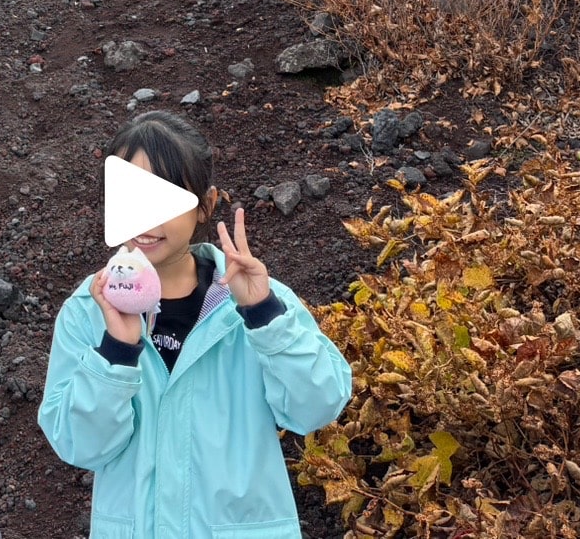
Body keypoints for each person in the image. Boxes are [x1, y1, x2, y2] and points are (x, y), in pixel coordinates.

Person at [38, 110, 352, 538]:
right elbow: (81, 446)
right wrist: (116, 352)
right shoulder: (87, 310)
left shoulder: (257, 302)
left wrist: (264, 316)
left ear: (204, 204)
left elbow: (316, 407)